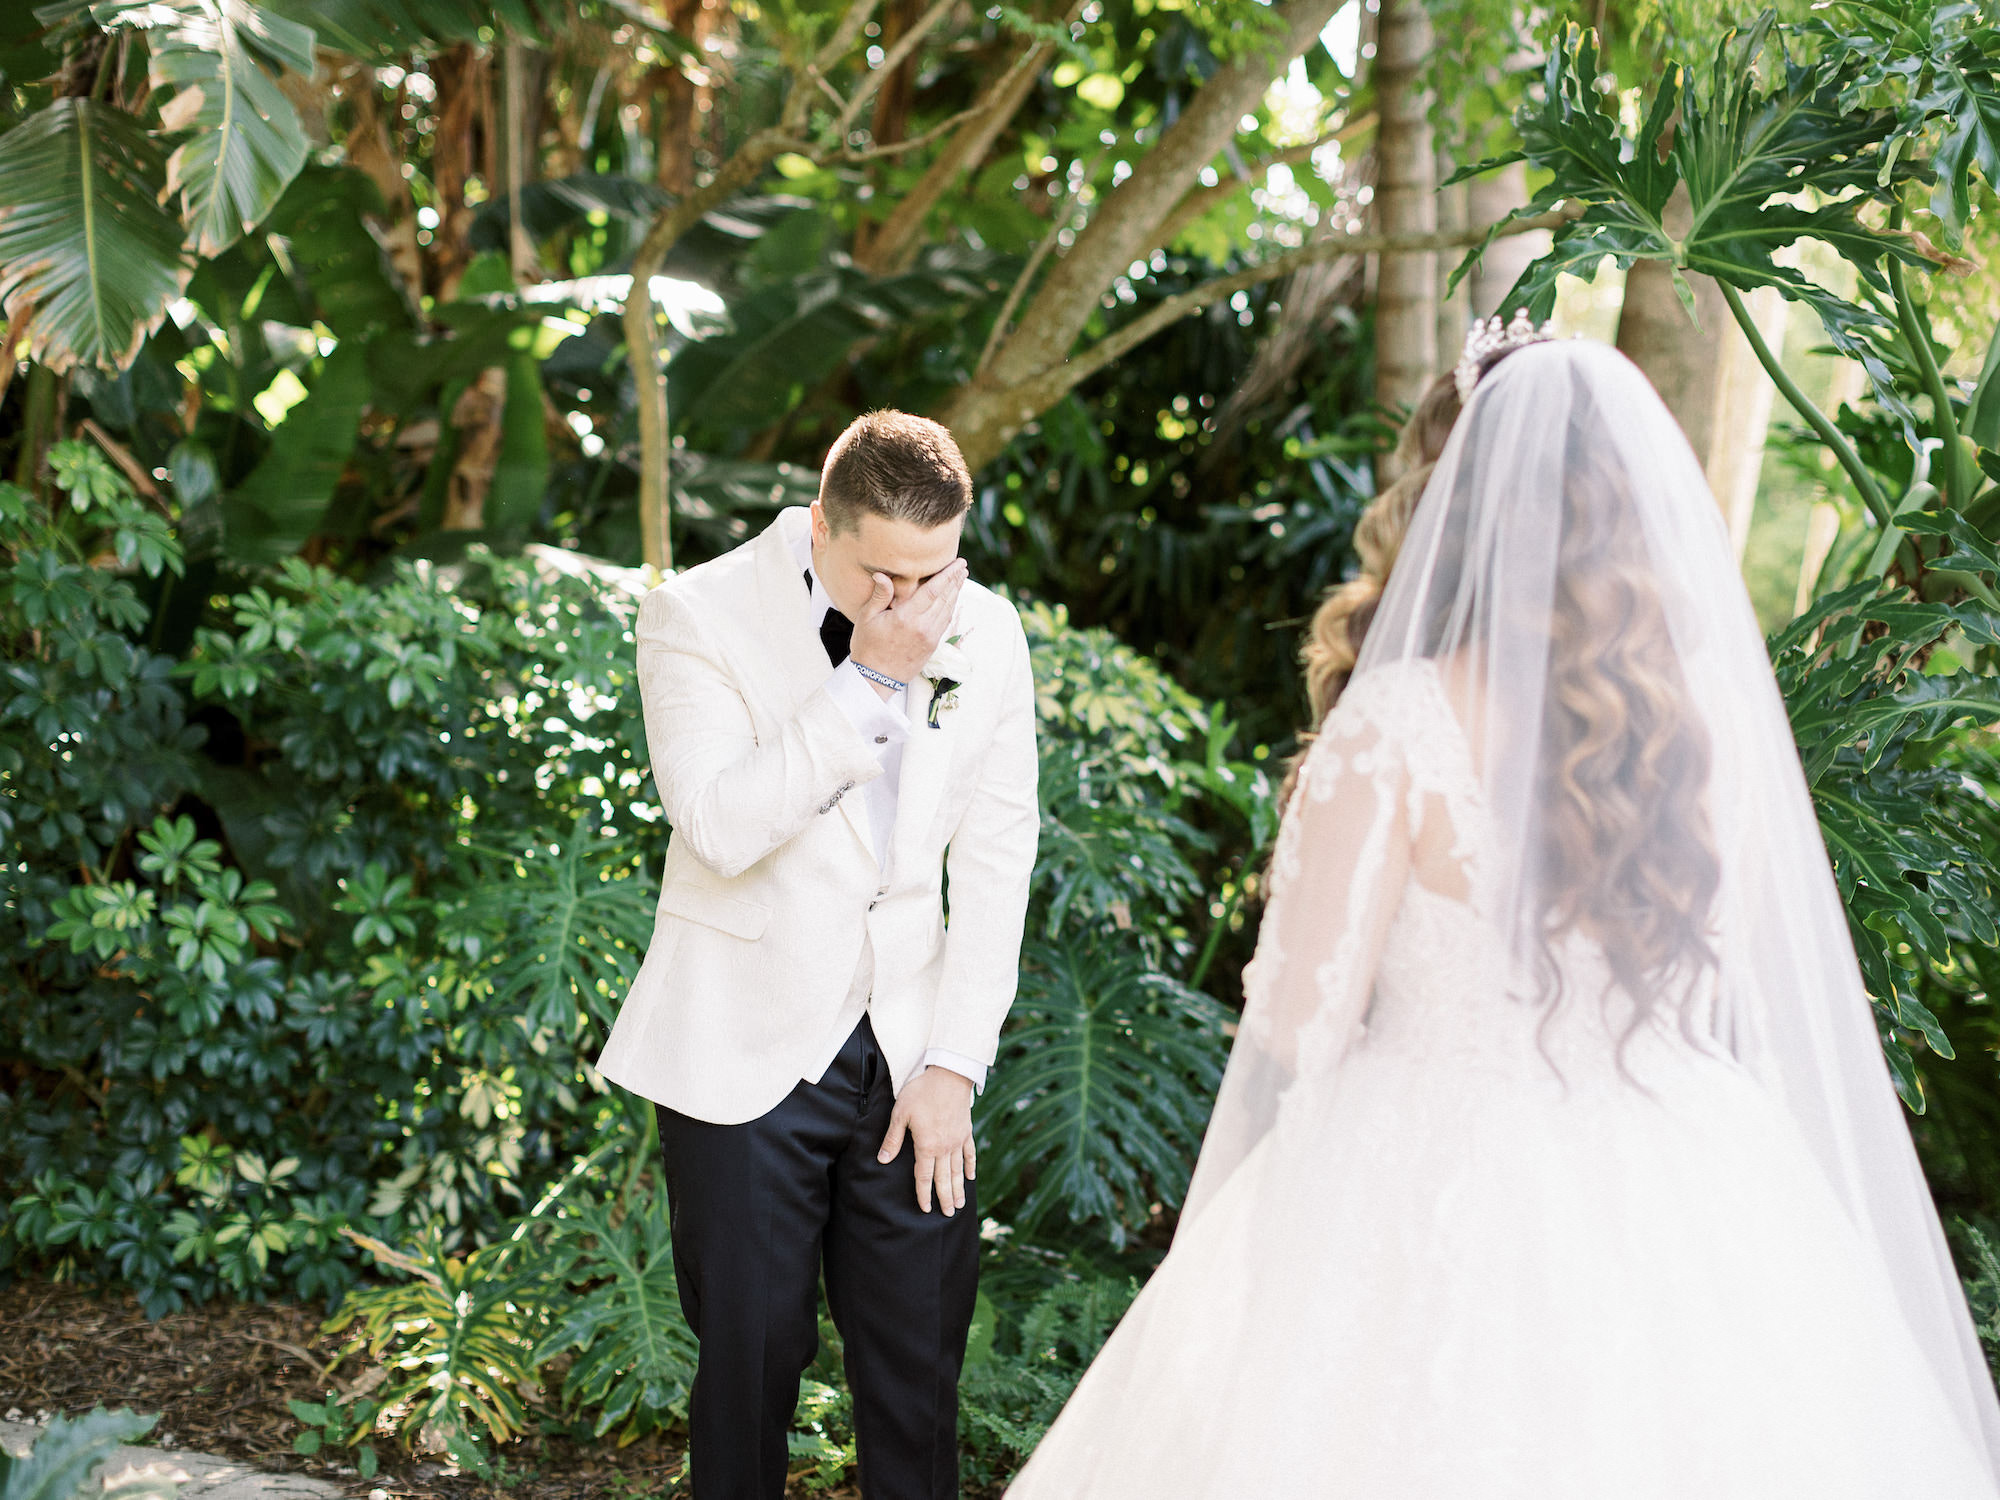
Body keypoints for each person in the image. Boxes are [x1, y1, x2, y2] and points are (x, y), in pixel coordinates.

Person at [1004, 329, 2000, 1498]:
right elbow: (1740, 972)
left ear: (1455, 508)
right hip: (1687, 1159)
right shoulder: (1716, 722)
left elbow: (1294, 1019)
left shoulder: (1400, 723)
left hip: (1418, 1165)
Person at [597, 410, 1039, 1500]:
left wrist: (953, 1064)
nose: (914, 604)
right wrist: (868, 683)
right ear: (818, 528)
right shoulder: (693, 615)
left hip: (907, 1053)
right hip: (738, 1051)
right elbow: (717, 824)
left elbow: (995, 861)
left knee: (916, 1369)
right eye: (883, 575)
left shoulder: (987, 631)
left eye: (934, 573)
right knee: (747, 1370)